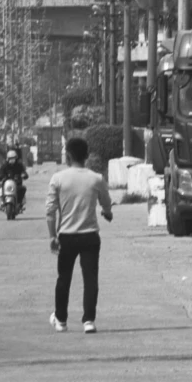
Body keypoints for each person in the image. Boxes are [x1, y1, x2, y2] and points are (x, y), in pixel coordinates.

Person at [45, 133, 113, 333]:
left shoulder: (57, 179)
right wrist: (107, 213)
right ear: (87, 156)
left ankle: (61, 320)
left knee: (63, 278)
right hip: (90, 236)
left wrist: (52, 236)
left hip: (66, 236)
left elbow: (50, 211)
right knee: (90, 278)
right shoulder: (96, 178)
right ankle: (89, 321)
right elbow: (106, 203)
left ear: (68, 156)